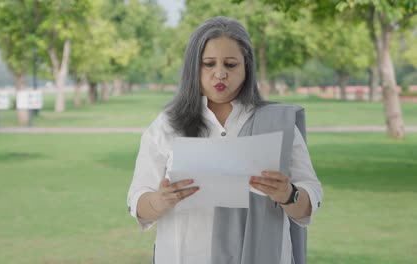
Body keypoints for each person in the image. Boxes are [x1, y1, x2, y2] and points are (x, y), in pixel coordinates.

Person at [127, 16, 323, 264]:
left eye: (230, 64)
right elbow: (138, 200)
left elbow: (311, 196)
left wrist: (288, 194)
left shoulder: (277, 124)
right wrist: (159, 200)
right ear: (193, 68)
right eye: (208, 64)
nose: (219, 73)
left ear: (246, 67)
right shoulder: (167, 125)